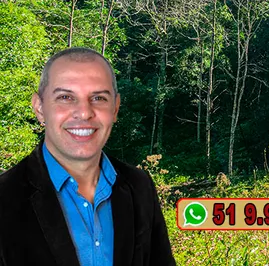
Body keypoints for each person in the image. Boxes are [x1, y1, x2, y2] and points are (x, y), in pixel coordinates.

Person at [0, 47, 176, 266]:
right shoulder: (5, 197)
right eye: (65, 97)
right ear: (39, 107)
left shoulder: (139, 187)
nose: (84, 112)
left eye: (99, 98)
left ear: (115, 108)